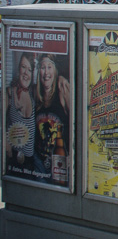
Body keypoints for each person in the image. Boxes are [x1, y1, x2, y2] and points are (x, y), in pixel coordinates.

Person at [34, 53, 71, 185]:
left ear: (55, 70)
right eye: (43, 67)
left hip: (61, 163)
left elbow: (78, 121)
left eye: (49, 67)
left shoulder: (62, 89)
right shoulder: (35, 96)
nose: (46, 72)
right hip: (40, 166)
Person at [5, 52, 36, 178]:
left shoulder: (34, 94)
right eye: (23, 67)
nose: (25, 73)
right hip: (13, 162)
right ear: (18, 68)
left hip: (32, 165)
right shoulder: (10, 93)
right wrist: (5, 145)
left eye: (29, 69)